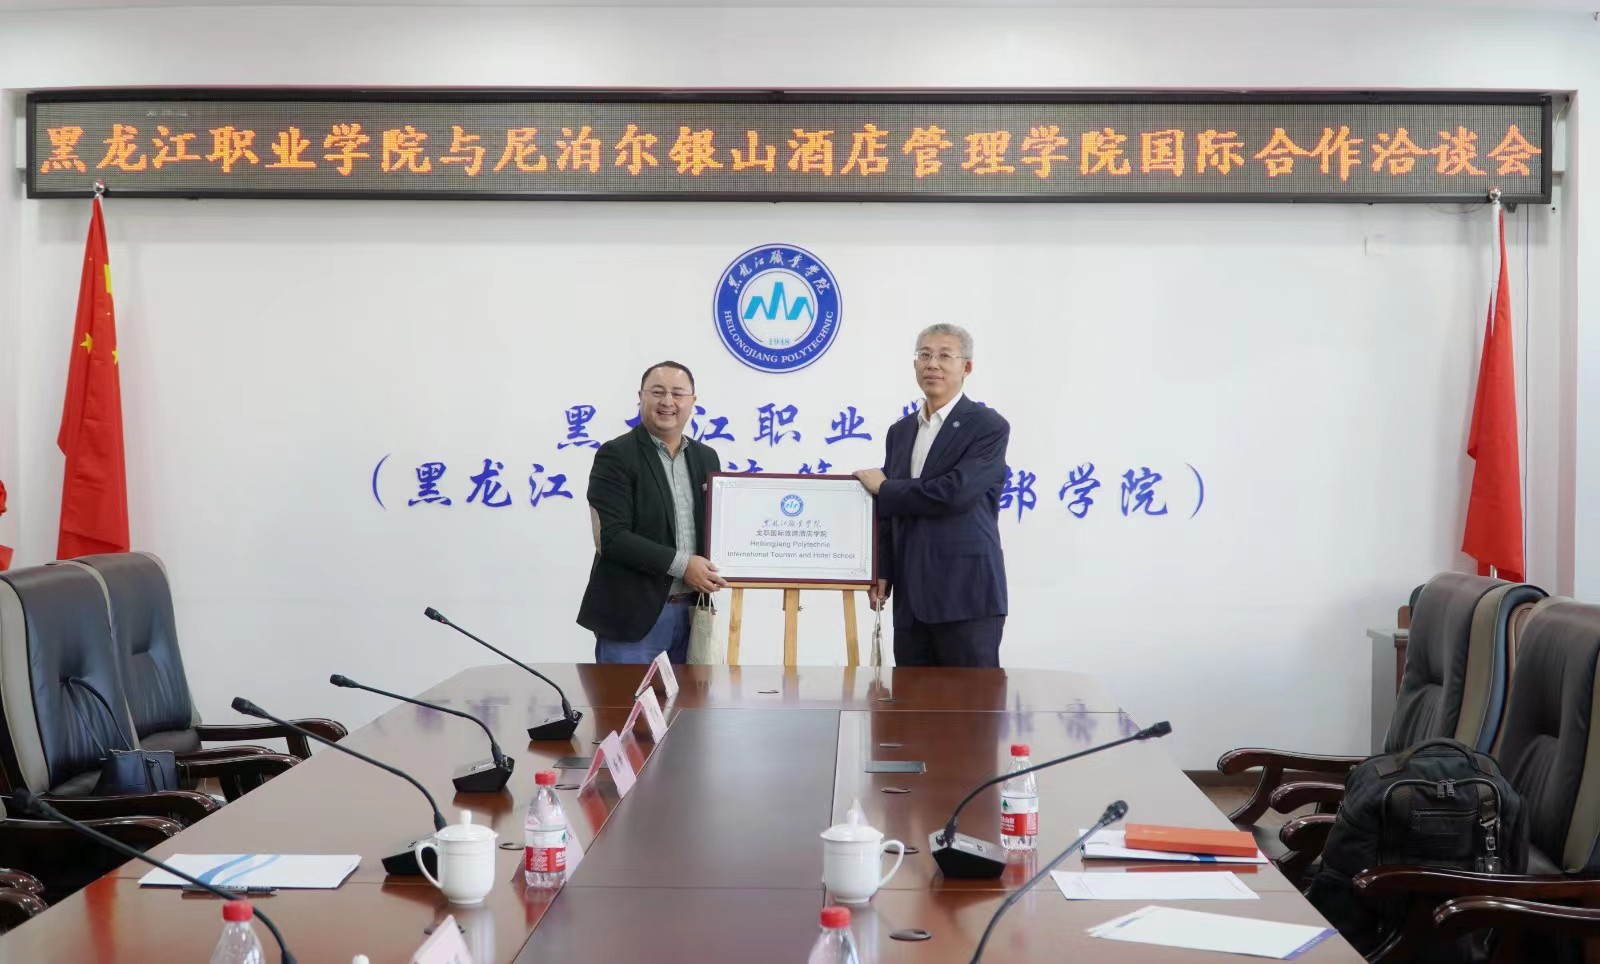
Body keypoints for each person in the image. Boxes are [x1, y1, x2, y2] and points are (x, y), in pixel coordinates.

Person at [853, 324, 1009, 667]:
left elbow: (956, 492)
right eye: (924, 355)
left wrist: (885, 487)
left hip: (966, 596)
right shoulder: (900, 432)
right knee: (910, 699)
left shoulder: (987, 426)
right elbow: (891, 512)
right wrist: (882, 569)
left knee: (972, 700)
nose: (932, 364)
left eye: (944, 355)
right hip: (911, 600)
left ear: (966, 367)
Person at [577, 361, 727, 663]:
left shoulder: (706, 457)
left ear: (692, 401)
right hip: (634, 618)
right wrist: (684, 565)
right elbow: (612, 538)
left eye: (678, 393)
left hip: (693, 612)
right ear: (641, 397)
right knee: (629, 697)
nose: (668, 401)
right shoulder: (616, 455)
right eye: (657, 392)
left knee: (694, 697)